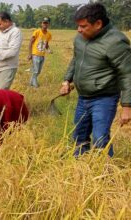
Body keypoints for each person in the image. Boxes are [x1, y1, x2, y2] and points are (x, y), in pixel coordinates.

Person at [59, 3, 131, 157]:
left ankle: (105, 175)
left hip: (104, 98)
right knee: (79, 134)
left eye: (83, 26)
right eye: (78, 26)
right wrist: (67, 80)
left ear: (98, 24)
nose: (79, 30)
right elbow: (76, 59)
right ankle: (80, 168)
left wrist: (127, 106)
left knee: (100, 138)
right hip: (83, 97)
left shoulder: (116, 42)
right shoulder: (81, 38)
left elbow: (127, 74)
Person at [0, 12, 22, 90]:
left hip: (7, 67)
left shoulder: (15, 32)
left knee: (2, 92)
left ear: (6, 21)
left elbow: (13, 51)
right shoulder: (1, 33)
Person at [27, 17, 52, 88]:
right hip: (35, 54)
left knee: (38, 71)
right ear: (41, 23)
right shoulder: (37, 32)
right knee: (36, 70)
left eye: (46, 23)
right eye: (44, 23)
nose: (45, 24)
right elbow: (30, 42)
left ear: (48, 24)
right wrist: (30, 54)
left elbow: (46, 44)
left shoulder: (49, 34)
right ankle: (35, 85)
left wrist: (49, 50)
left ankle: (31, 83)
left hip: (42, 55)